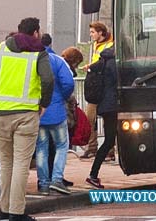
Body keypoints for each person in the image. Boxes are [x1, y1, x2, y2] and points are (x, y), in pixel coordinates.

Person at [0, 17, 54, 221]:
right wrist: (44, 104)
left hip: (1, 114)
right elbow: (48, 79)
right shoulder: (39, 52)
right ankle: (17, 212)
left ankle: (4, 210)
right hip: (26, 114)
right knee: (21, 163)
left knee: (5, 163)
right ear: (36, 33)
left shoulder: (0, 48)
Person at [35, 34, 74, 196]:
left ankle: (43, 183)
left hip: (37, 112)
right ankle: (57, 179)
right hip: (56, 111)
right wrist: (61, 97)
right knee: (61, 145)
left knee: (41, 148)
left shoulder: (32, 61)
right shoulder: (57, 60)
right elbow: (69, 82)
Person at [85, 44, 118, 189]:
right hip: (112, 106)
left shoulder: (101, 62)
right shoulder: (113, 64)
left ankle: (93, 174)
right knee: (109, 140)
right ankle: (93, 174)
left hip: (104, 106)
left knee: (109, 140)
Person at [80, 22, 114, 161]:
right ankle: (92, 147)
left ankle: (110, 150)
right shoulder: (95, 45)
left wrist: (91, 66)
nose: (91, 34)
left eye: (93, 32)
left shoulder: (111, 45)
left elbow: (104, 63)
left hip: (105, 86)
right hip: (95, 86)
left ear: (101, 33)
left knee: (108, 120)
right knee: (89, 118)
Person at [60, 46, 84, 187]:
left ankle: (46, 179)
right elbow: (68, 88)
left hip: (55, 111)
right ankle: (57, 177)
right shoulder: (66, 70)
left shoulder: (58, 64)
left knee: (48, 148)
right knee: (61, 146)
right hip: (63, 113)